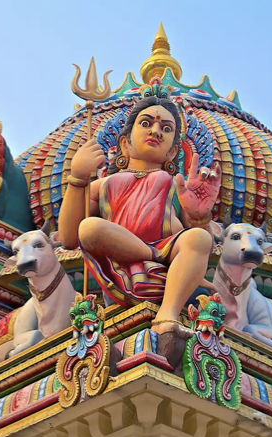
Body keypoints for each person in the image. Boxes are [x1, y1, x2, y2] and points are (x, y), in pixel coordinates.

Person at [57, 82, 221, 354]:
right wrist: (78, 176)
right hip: (121, 261)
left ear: (172, 152)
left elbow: (198, 240)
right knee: (89, 227)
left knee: (198, 238)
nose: (156, 131)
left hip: (169, 254)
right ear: (125, 143)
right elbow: (69, 238)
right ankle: (153, 256)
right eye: (146, 123)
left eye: (166, 129)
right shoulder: (104, 184)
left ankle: (167, 315)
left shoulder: (175, 185)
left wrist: (199, 216)